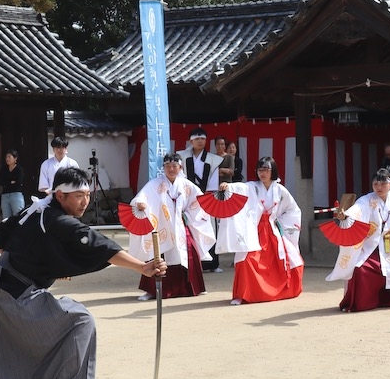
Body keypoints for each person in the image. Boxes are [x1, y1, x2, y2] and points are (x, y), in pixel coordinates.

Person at [0, 167, 166, 379]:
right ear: (60, 196)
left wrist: (37, 262)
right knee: (79, 320)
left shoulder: (37, 208)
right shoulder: (56, 219)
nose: (85, 202)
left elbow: (2, 232)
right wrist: (142, 268)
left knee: (3, 340)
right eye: (78, 196)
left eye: (87, 195)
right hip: (12, 292)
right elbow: (98, 244)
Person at [325, 168, 390, 311]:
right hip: (371, 247)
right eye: (376, 184)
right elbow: (356, 210)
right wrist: (346, 215)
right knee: (360, 270)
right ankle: (366, 302)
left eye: (383, 184)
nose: (379, 187)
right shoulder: (366, 200)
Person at [217, 156, 303, 305]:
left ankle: (279, 290)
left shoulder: (280, 190)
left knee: (290, 259)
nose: (262, 173)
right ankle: (246, 294)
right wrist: (228, 186)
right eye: (260, 170)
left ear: (273, 171)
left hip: (272, 231)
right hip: (254, 230)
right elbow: (240, 188)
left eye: (266, 170)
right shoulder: (252, 186)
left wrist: (279, 222)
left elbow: (293, 210)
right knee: (246, 260)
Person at [129, 153, 215, 300]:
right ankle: (152, 290)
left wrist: (188, 212)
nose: (171, 169)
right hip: (162, 225)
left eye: (174, 166)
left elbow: (199, 200)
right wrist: (140, 202)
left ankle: (194, 287)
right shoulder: (155, 184)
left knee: (188, 252)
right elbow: (142, 195)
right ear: (163, 168)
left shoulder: (186, 184)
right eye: (168, 166)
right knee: (158, 254)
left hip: (181, 225)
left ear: (180, 167)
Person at [179, 127, 224, 272]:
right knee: (189, 230)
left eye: (203, 139)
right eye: (197, 139)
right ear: (190, 141)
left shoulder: (213, 159)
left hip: (206, 198)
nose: (200, 141)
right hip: (188, 199)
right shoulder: (183, 157)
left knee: (209, 229)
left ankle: (212, 264)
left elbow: (213, 181)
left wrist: (208, 197)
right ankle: (192, 263)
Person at [0, 149, 26, 220]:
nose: (7, 159)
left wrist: (6, 183)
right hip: (5, 195)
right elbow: (0, 181)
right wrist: (11, 182)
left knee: (18, 216)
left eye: (9, 157)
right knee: (6, 218)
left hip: (16, 194)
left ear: (15, 158)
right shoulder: (3, 169)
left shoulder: (19, 169)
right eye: (6, 157)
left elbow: (19, 182)